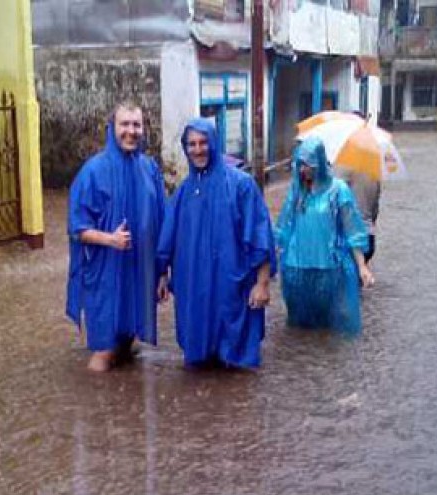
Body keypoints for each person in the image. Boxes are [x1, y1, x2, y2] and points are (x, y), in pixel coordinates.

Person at [157, 119, 276, 369]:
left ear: (214, 144)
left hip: (233, 294)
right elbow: (166, 241)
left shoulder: (240, 185)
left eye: (203, 143)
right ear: (185, 148)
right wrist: (162, 276)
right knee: (199, 373)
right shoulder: (183, 193)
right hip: (196, 295)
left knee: (239, 375)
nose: (198, 149)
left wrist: (262, 284)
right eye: (192, 144)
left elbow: (260, 238)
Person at [66, 101, 168, 372]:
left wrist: (161, 273)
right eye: (125, 124)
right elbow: (77, 228)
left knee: (129, 345)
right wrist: (110, 239)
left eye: (136, 125)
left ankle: (124, 413)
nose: (131, 131)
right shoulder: (93, 171)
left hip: (138, 274)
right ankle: (97, 410)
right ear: (112, 128)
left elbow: (161, 222)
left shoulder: (150, 169)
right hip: (105, 274)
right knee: (104, 354)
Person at [275, 137, 375, 333]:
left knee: (328, 327)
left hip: (328, 268)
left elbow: (352, 230)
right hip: (297, 268)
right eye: (300, 165)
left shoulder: (338, 190)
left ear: (319, 163)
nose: (303, 171)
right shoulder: (297, 191)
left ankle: (325, 363)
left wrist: (362, 267)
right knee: (299, 328)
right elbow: (283, 226)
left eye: (308, 165)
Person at [346, 170, 381, 263]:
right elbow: (375, 209)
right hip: (368, 234)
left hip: (351, 234)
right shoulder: (375, 176)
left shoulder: (344, 173)